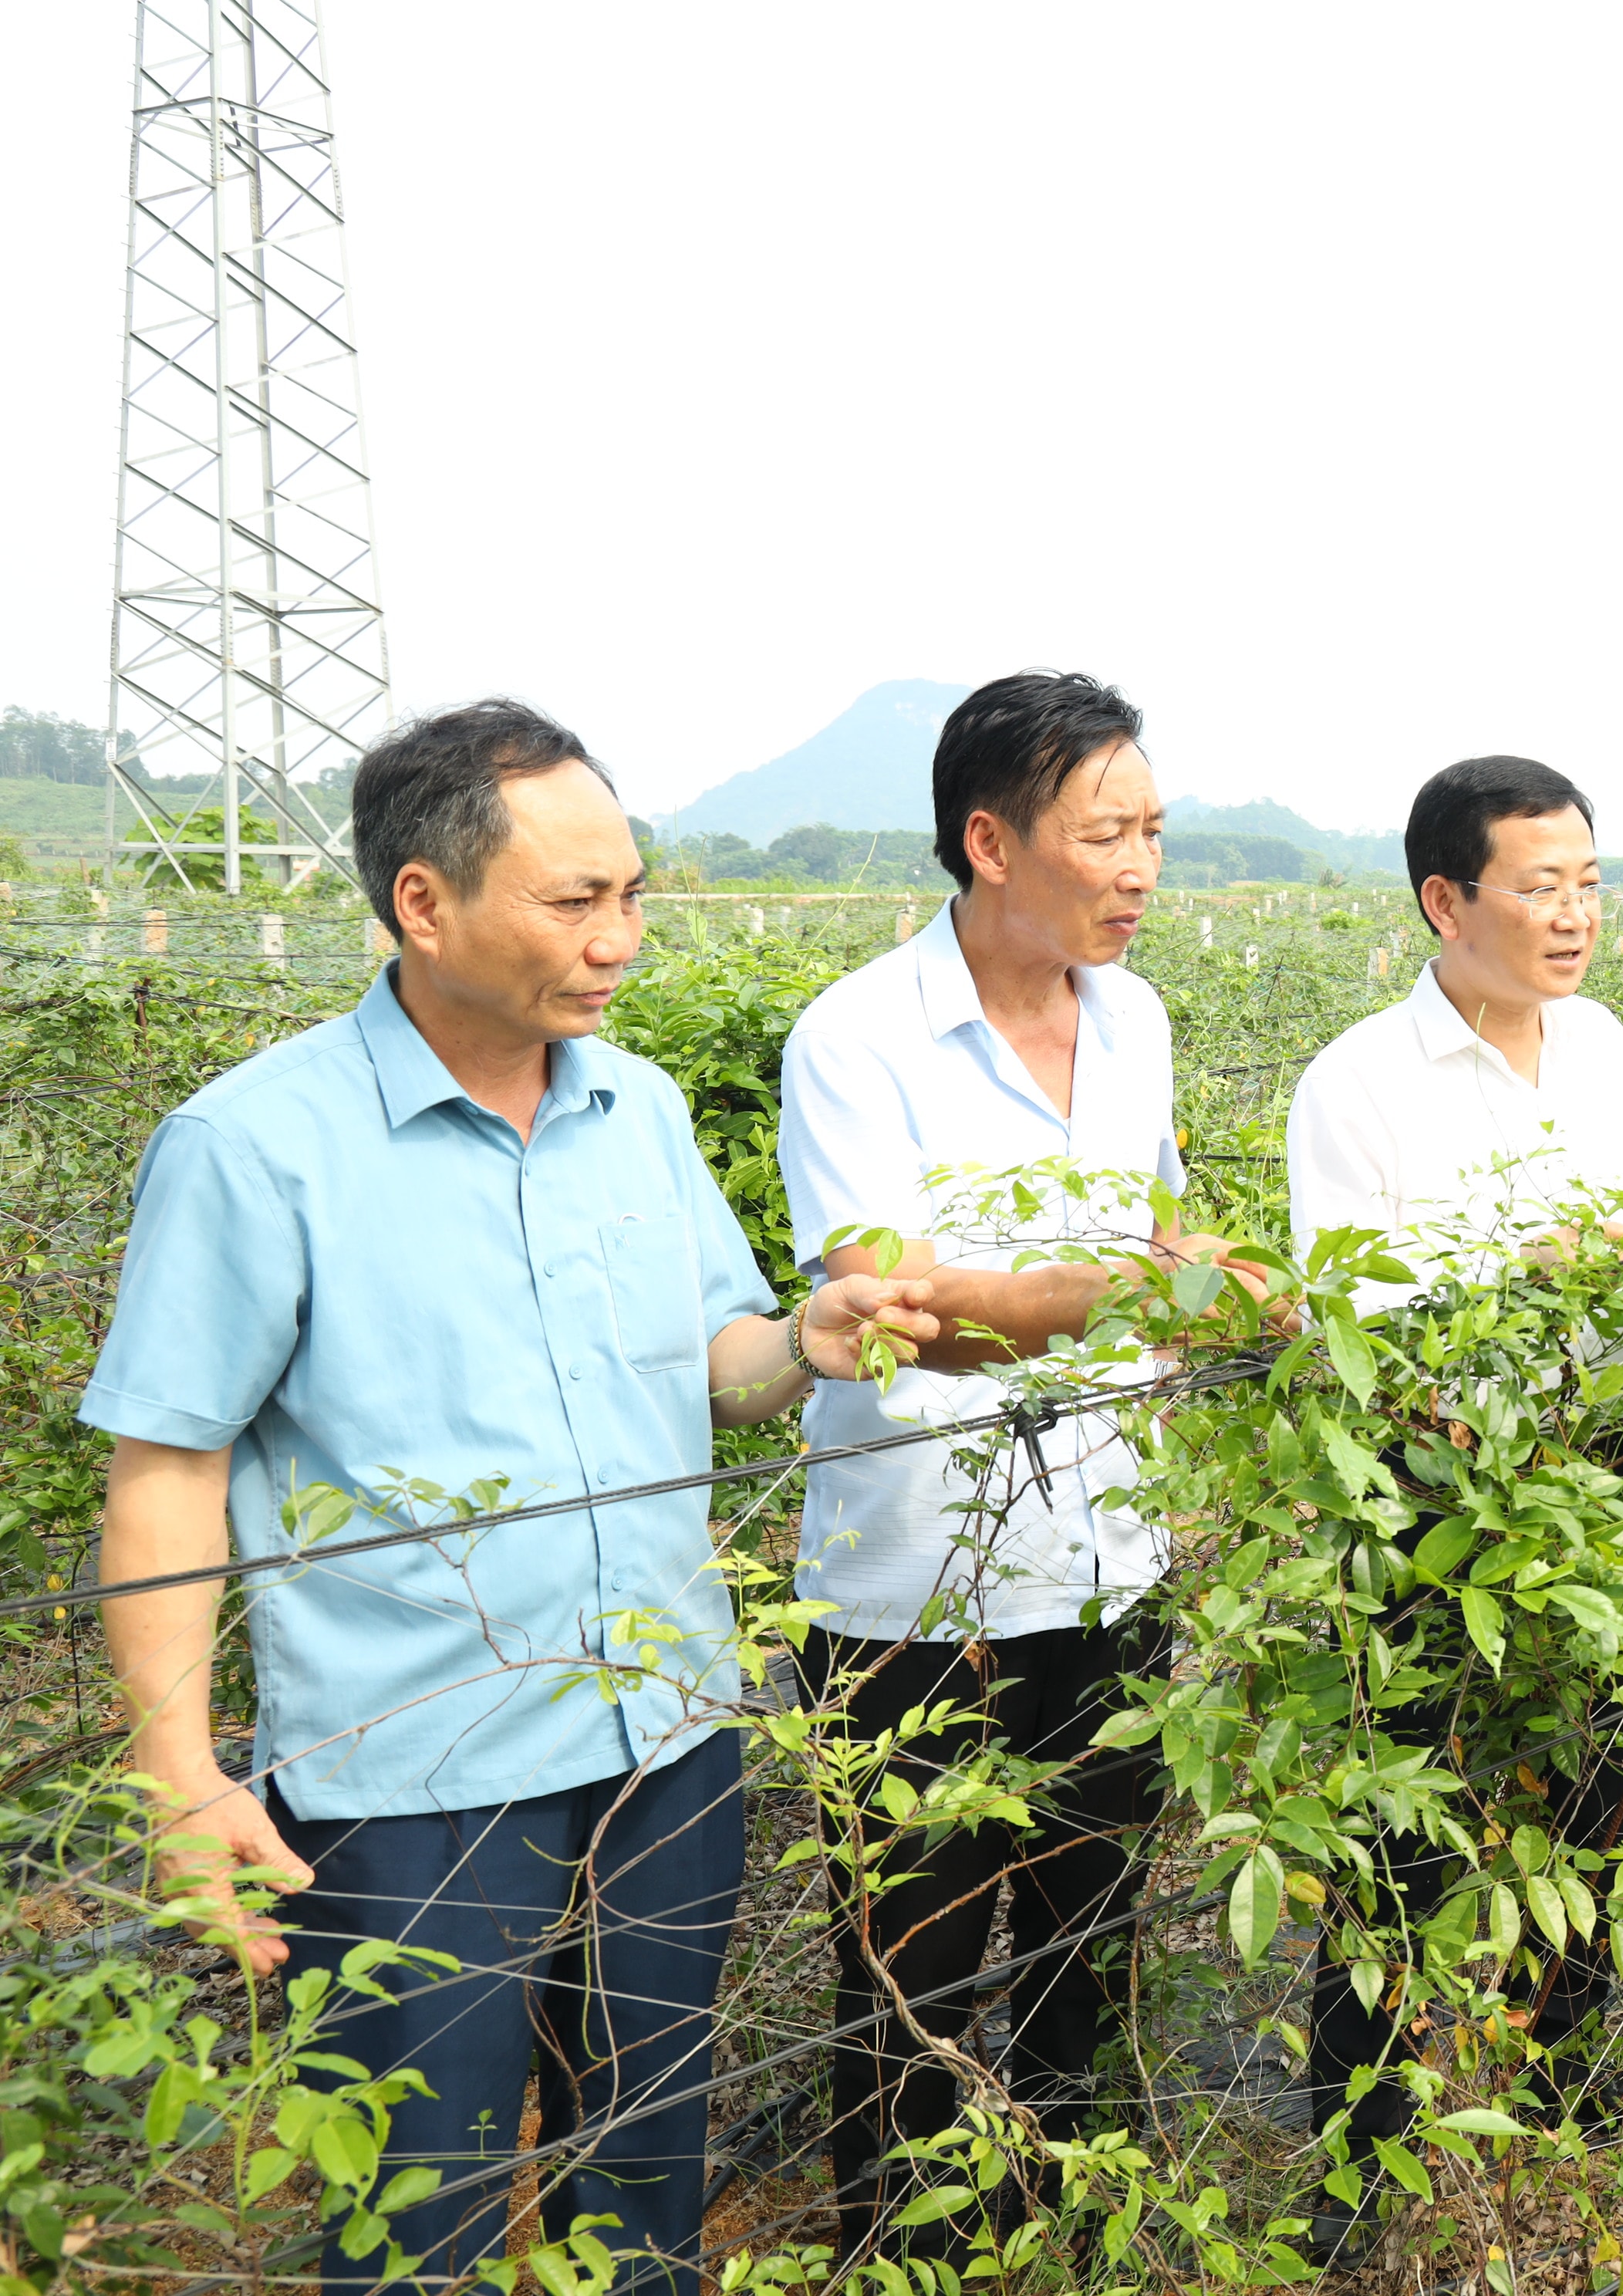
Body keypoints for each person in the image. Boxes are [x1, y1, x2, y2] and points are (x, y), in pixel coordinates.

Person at [86, 700, 936, 2295]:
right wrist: (180, 1769)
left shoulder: (643, 1111)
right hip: (416, 1781)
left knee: (645, 2184)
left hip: (666, 1736)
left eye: (631, 896)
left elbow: (712, 1363)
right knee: (425, 2218)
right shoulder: (256, 1148)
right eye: (574, 902)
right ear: (424, 901)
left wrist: (805, 1344)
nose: (618, 941)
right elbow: (170, 1468)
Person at [776, 671, 1256, 2261]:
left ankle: (1069, 2242)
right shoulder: (857, 1038)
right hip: (919, 1590)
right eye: (1104, 833)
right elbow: (897, 1308)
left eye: (1154, 834)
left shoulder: (1141, 1025)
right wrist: (1132, 1288)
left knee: (1088, 1950)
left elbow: (1158, 1238)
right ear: (990, 842)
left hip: (1114, 1566)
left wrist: (1158, 1277)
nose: (1139, 868)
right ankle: (899, 2256)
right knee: (908, 1971)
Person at [1281, 755, 1623, 2254]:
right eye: (1539, 885)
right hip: (1435, 1503)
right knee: (1404, 1829)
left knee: (1594, 1793)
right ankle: (1358, 2154)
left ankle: (1567, 2080)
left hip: (1610, 1480)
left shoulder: (1611, 1052)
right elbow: (1359, 1329)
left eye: (1587, 881)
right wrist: (1550, 1269)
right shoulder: (1360, 1083)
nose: (1574, 915)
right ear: (1446, 900)